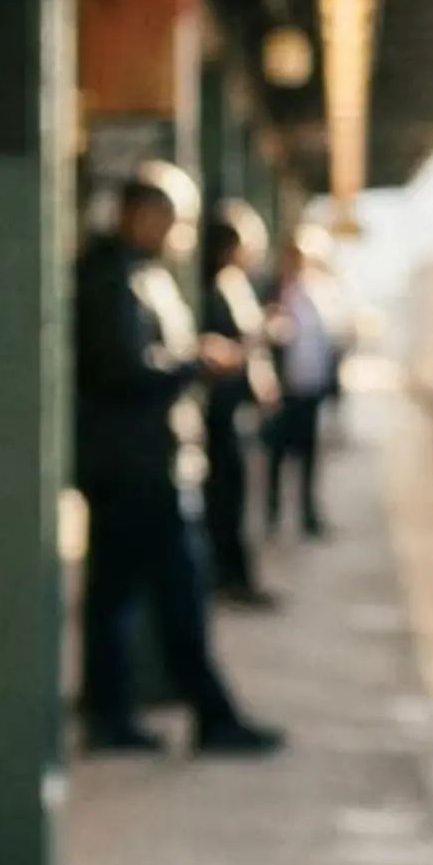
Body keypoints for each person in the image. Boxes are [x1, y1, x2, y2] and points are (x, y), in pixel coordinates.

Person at [71, 164, 284, 757]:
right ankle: (209, 715)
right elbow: (123, 369)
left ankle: (112, 715)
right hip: (136, 466)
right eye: (175, 220)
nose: (182, 234)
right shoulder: (113, 279)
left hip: (140, 460)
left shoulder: (138, 275)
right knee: (178, 592)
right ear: (142, 215)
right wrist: (197, 363)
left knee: (114, 597)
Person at [196, 203, 279, 609]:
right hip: (222, 412)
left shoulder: (230, 285)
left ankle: (235, 575)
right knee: (227, 498)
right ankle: (230, 577)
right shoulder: (221, 288)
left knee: (234, 497)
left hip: (232, 410)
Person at [266, 229, 346, 539]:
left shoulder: (316, 295)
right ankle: (273, 514)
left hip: (309, 387)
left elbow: (328, 339)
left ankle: (307, 515)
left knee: (309, 455)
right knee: (277, 454)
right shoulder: (272, 291)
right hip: (280, 389)